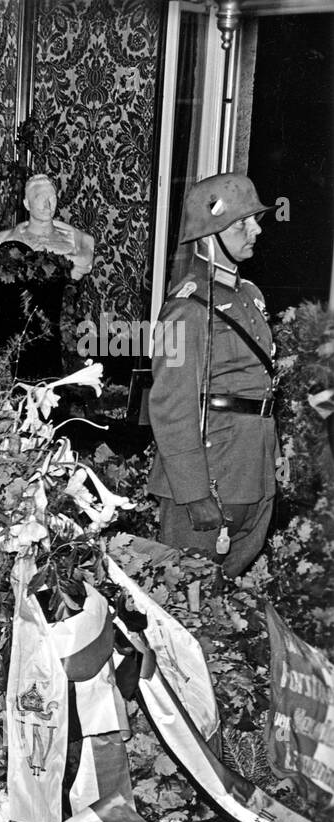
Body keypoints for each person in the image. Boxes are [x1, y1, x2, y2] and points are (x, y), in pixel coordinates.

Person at [147, 171, 277, 578]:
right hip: (211, 478)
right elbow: (170, 406)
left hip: (251, 473)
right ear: (209, 234)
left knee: (229, 605)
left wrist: (271, 462)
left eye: (254, 219)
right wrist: (194, 492)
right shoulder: (186, 309)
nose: (255, 229)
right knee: (186, 602)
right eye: (242, 222)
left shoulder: (250, 297)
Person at [0, 173, 95, 281]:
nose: (48, 206)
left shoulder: (78, 242)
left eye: (52, 199)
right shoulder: (4, 240)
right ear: (27, 204)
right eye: (40, 199)